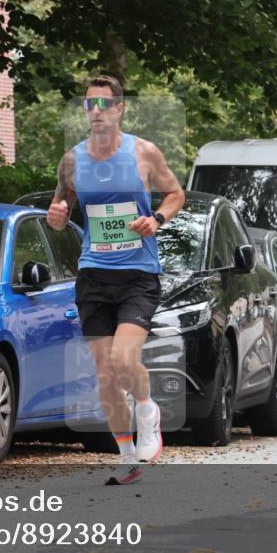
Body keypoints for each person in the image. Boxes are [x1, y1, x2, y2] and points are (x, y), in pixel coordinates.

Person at [46, 75, 185, 485]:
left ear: (121, 109)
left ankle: (147, 408)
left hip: (138, 275)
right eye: (91, 105)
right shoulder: (72, 160)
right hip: (94, 274)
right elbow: (61, 206)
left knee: (125, 360)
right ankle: (127, 457)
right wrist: (57, 218)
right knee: (106, 376)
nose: (97, 112)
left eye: (105, 104)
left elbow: (175, 194)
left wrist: (156, 219)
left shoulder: (143, 152)